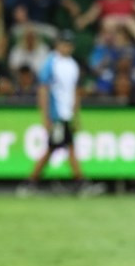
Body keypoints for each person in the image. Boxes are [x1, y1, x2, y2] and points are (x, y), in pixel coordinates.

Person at [20, 30, 99, 195]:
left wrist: (76, 115)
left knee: (59, 147)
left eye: (69, 44)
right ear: (58, 44)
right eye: (64, 43)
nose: (67, 47)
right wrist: (45, 115)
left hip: (67, 114)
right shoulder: (51, 62)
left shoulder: (73, 65)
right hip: (57, 114)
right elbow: (43, 90)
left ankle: (33, 182)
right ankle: (32, 182)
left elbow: (75, 92)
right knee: (57, 148)